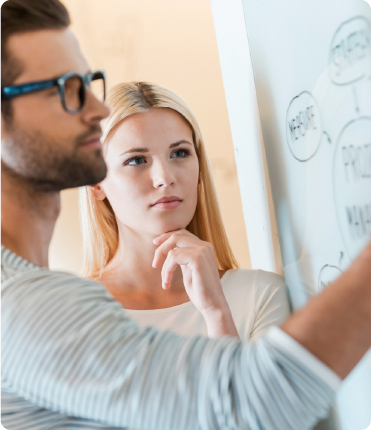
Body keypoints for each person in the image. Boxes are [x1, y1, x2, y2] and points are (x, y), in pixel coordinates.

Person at [2, 1, 371, 429]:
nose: (98, 110)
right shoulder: (23, 307)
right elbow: (253, 404)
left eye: (89, 83)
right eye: (63, 88)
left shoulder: (32, 299)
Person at [79, 81, 290, 341]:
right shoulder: (69, 314)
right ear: (95, 183)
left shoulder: (262, 295)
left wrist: (216, 312)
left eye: (179, 153)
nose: (164, 178)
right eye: (136, 160)